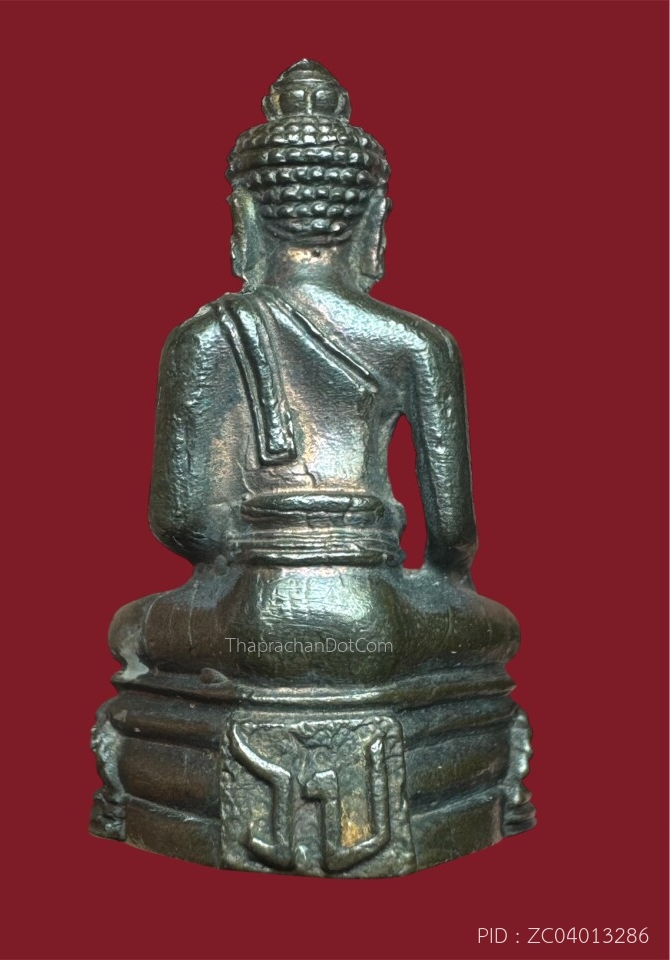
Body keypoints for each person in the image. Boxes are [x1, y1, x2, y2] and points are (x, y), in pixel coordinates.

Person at [108, 60, 519, 686]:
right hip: (379, 617)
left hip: (243, 618)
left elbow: (181, 521)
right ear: (375, 218)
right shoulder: (418, 342)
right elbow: (452, 534)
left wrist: (252, 552)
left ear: (243, 216)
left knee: (131, 629)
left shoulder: (202, 336)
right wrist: (440, 586)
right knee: (497, 629)